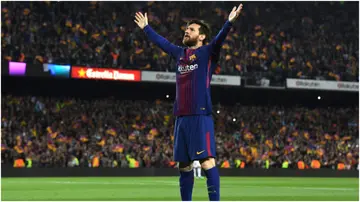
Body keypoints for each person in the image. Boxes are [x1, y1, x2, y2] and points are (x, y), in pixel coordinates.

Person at [134, 3, 243, 201]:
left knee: (207, 161)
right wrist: (146, 28)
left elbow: (219, 39)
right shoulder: (180, 54)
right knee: (183, 164)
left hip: (199, 114)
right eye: (186, 29)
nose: (187, 31)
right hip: (181, 116)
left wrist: (228, 22)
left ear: (201, 36)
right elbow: (163, 43)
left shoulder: (208, 52)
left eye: (191, 29)